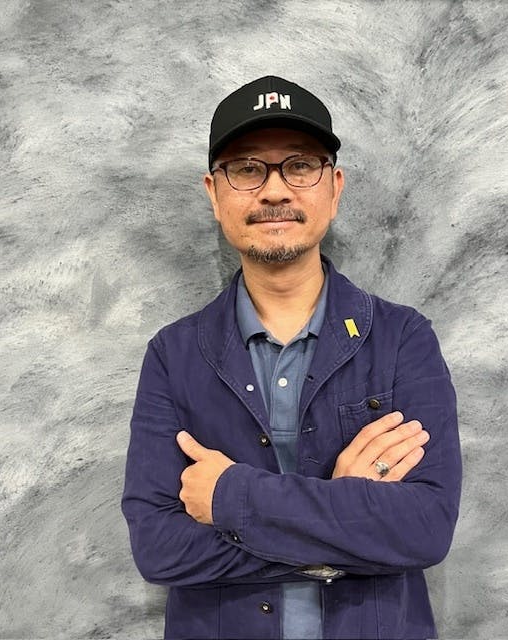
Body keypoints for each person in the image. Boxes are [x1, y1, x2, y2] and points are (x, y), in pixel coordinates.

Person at [122, 75, 462, 640]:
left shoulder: (404, 338)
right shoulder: (172, 355)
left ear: (335, 187)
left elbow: (425, 529)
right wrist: (345, 513)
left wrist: (230, 497)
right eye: (246, 168)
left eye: (300, 165)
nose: (275, 191)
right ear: (214, 193)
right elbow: (159, 549)